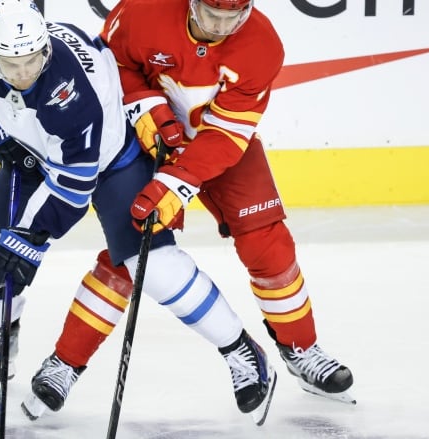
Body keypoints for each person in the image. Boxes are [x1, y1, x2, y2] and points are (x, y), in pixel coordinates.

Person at [0, 0, 276, 426]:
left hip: (113, 158)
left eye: (33, 61)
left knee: (151, 266)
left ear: (45, 49)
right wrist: (1, 124)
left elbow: (75, 190)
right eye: (11, 63)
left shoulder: (67, 94)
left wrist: (32, 239)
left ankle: (241, 349)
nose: (24, 73)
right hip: (42, 150)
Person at [99, 0, 355, 404]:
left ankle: (299, 347)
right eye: (210, 14)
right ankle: (67, 360)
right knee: (131, 248)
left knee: (267, 241)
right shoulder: (142, 9)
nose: (219, 26)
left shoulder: (263, 44)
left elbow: (227, 134)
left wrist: (177, 180)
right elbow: (109, 65)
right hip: (142, 140)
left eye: (231, 17)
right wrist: (145, 105)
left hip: (218, 144)